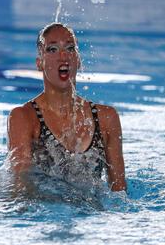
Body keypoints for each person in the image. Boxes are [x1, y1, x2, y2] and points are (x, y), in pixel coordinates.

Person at [7, 22, 126, 193]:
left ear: (77, 60)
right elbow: (19, 189)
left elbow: (120, 194)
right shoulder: (24, 118)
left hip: (93, 215)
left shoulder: (106, 118)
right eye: (52, 49)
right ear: (39, 63)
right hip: (44, 213)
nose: (63, 57)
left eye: (70, 48)